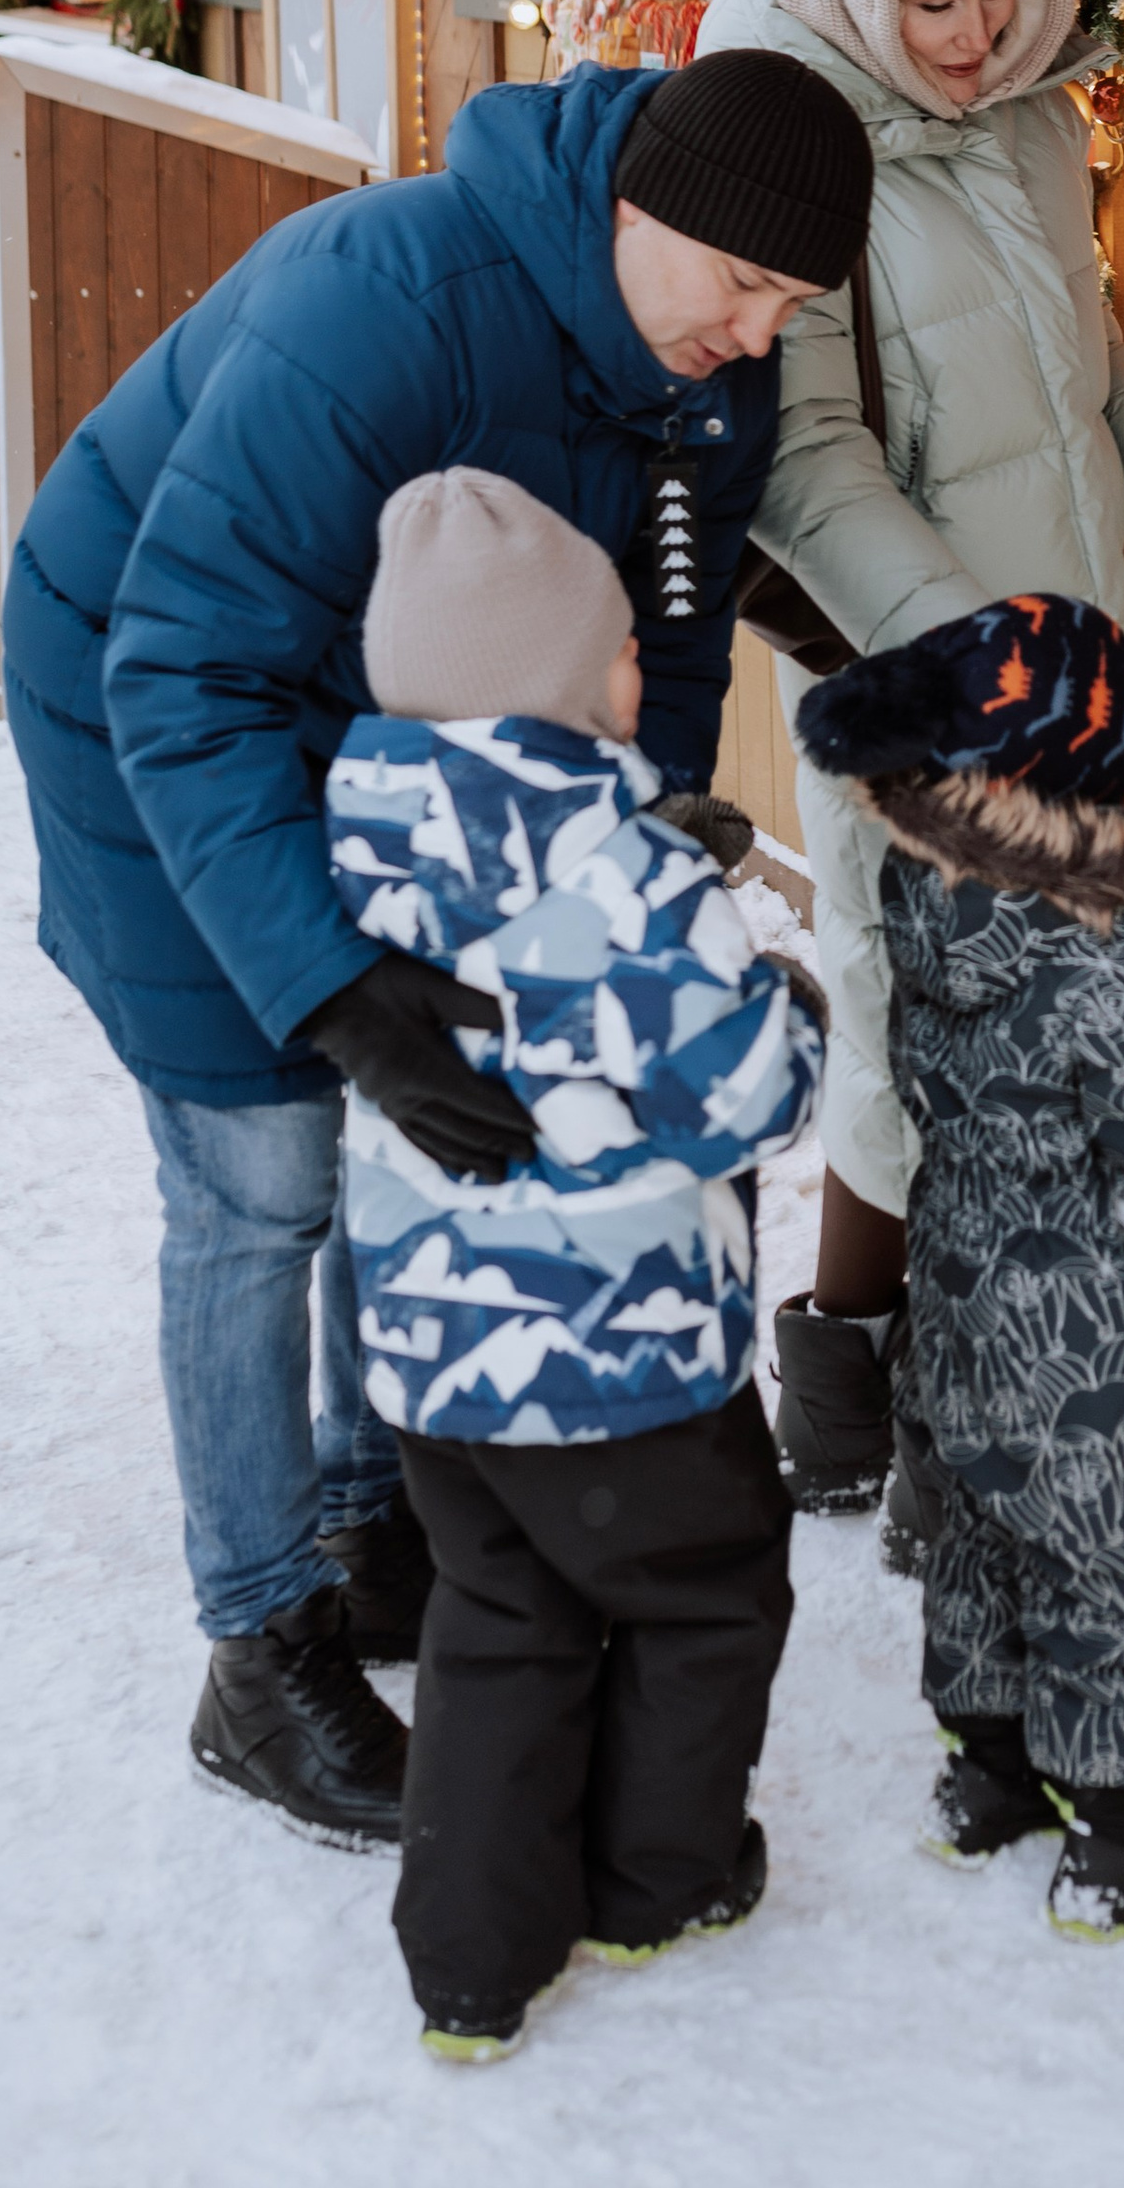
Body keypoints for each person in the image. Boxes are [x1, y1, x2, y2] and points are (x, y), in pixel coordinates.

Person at [1, 50, 873, 1848]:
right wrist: (326, 985)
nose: (759, 328)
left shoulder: (716, 365)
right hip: (156, 691)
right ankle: (260, 1650)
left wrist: (623, 856)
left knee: (429, 1099)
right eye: (742, 285)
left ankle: (363, 1515)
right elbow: (182, 664)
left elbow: (679, 630)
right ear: (637, 211)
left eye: (796, 301)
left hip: (417, 732)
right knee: (267, 1166)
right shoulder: (386, 303)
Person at [699, 0, 1124, 1545]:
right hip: (925, 680)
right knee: (912, 1033)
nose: (970, 33)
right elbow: (801, 461)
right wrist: (967, 644)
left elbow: (1084, 348)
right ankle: (873, 1398)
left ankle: (994, 1394)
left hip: (1083, 651)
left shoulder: (1024, 119)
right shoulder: (783, 138)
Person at [326, 467, 825, 2062]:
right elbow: (745, 1091)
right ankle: (657, 1880)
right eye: (620, 650)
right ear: (557, 680)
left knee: (499, 1617)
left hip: (436, 1365)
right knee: (702, 1597)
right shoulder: (630, 877)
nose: (640, 674)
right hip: (619, 1357)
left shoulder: (356, 858)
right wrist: (794, 1004)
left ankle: (468, 1969)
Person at [794, 591, 1124, 1936]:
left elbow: (1041, 970)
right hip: (1096, 1327)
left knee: (983, 1529)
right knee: (1108, 1553)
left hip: (963, 1298)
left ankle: (987, 1782)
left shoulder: (926, 890)